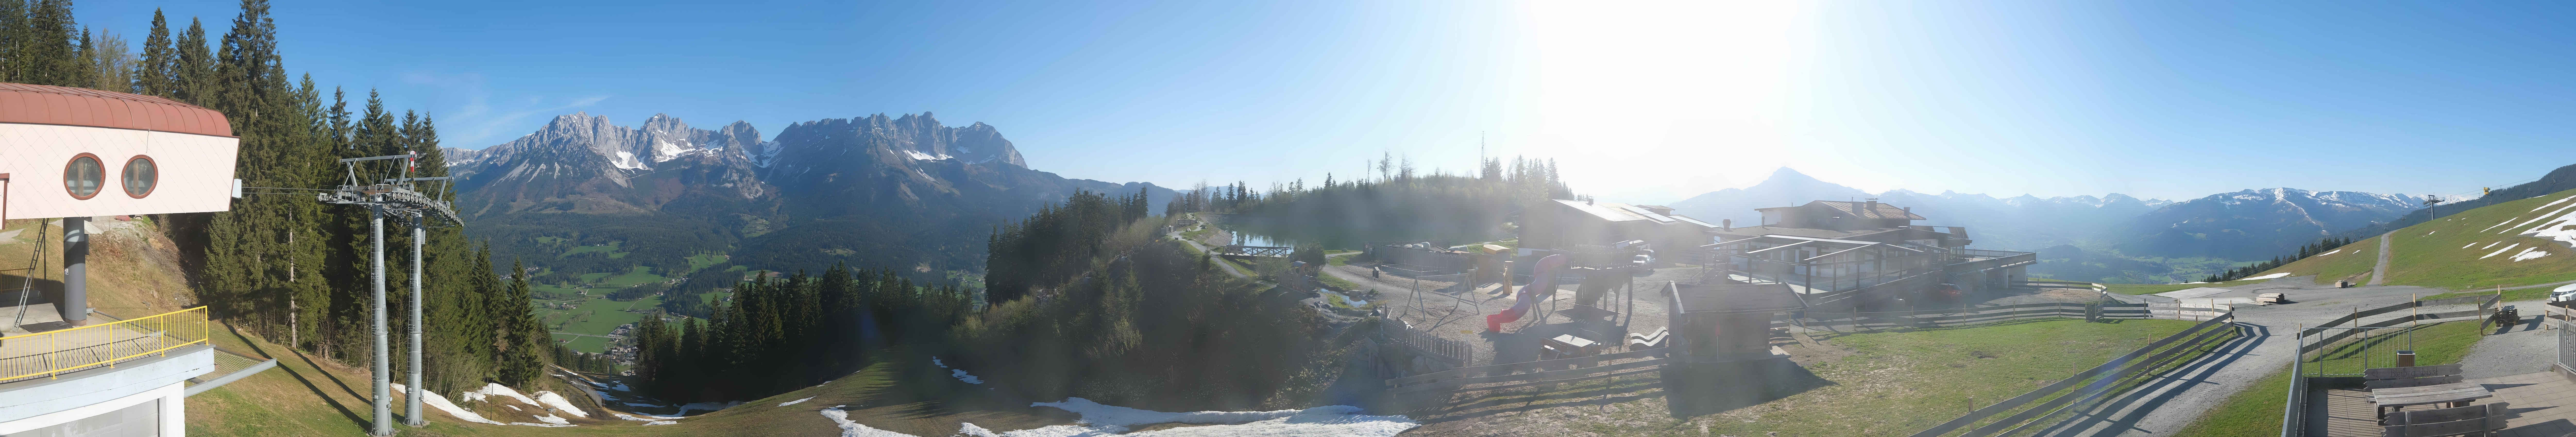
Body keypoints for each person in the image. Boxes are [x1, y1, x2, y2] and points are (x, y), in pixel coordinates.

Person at [1487, 254, 1567, 333]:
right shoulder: (1540, 274)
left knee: (1520, 306)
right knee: (1516, 310)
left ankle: (1495, 320)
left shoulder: (1541, 271)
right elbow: (1542, 268)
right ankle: (1495, 320)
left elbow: (1542, 268)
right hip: (1524, 294)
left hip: (1524, 293)